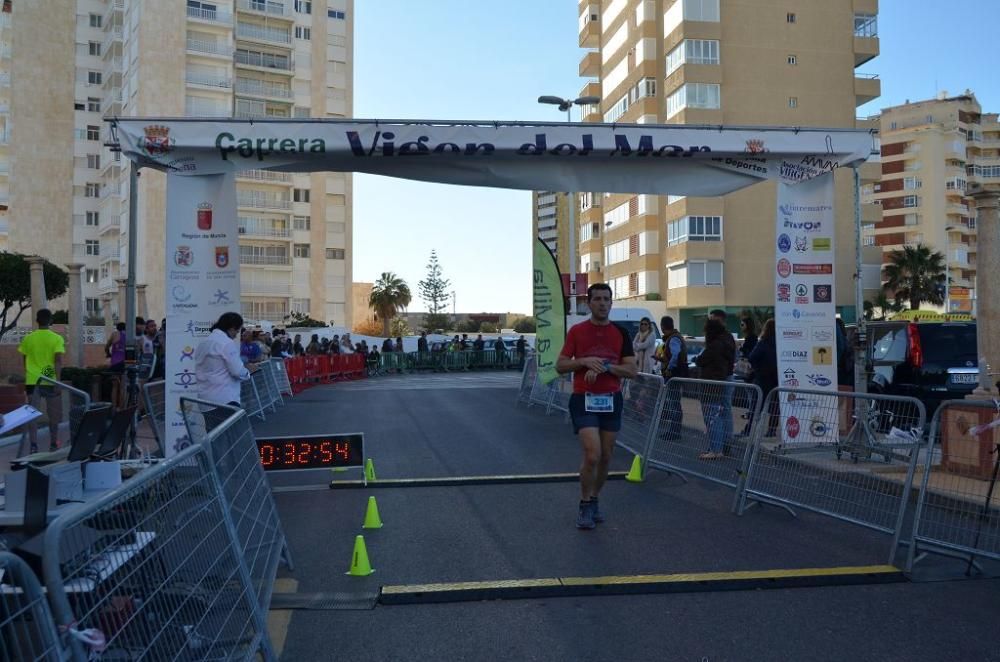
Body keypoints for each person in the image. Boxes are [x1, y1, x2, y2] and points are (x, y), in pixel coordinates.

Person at [556, 283, 638, 530]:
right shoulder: (578, 332)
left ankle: (594, 499)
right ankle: (583, 504)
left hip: (611, 399)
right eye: (598, 299)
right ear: (588, 303)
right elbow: (560, 365)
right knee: (593, 454)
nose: (603, 303)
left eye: (607, 299)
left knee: (606, 457)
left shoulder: (621, 333)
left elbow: (632, 371)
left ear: (611, 303)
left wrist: (605, 366)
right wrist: (583, 362)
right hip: (584, 399)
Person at [19, 309, 64, 452]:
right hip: (50, 379)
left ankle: (33, 445)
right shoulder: (57, 338)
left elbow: (25, 360)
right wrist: (58, 382)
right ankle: (53, 443)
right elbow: (57, 360)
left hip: (32, 380)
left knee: (33, 414)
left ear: (37, 321)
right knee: (54, 414)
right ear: (50, 321)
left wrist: (30, 372)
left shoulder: (28, 338)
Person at [695, 318, 736, 460]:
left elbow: (702, 360)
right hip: (726, 378)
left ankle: (716, 449)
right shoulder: (728, 339)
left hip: (712, 384)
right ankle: (725, 445)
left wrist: (698, 359)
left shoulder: (714, 345)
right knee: (725, 412)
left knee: (712, 416)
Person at [195, 312, 252, 407]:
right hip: (225, 398)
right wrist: (248, 372)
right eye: (237, 332)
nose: (236, 336)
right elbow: (237, 371)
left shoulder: (204, 342)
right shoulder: (226, 343)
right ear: (231, 328)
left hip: (204, 398)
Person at [653, 315, 688, 442]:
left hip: (673, 375)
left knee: (674, 404)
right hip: (675, 373)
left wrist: (669, 368)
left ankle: (674, 431)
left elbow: (676, 354)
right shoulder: (674, 337)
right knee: (674, 404)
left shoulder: (673, 339)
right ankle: (674, 430)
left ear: (662, 326)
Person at [747, 319, 779, 437]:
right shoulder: (782, 343)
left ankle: (750, 429)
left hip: (762, 378)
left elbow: (752, 357)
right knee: (775, 406)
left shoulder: (763, 342)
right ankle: (771, 430)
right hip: (777, 378)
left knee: (756, 405)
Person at [105, 321, 128, 409]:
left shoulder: (114, 334)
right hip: (124, 362)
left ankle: (114, 407)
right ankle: (122, 408)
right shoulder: (128, 336)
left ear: (117, 328)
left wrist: (108, 353)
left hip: (115, 362)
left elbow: (107, 346)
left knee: (114, 386)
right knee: (122, 386)